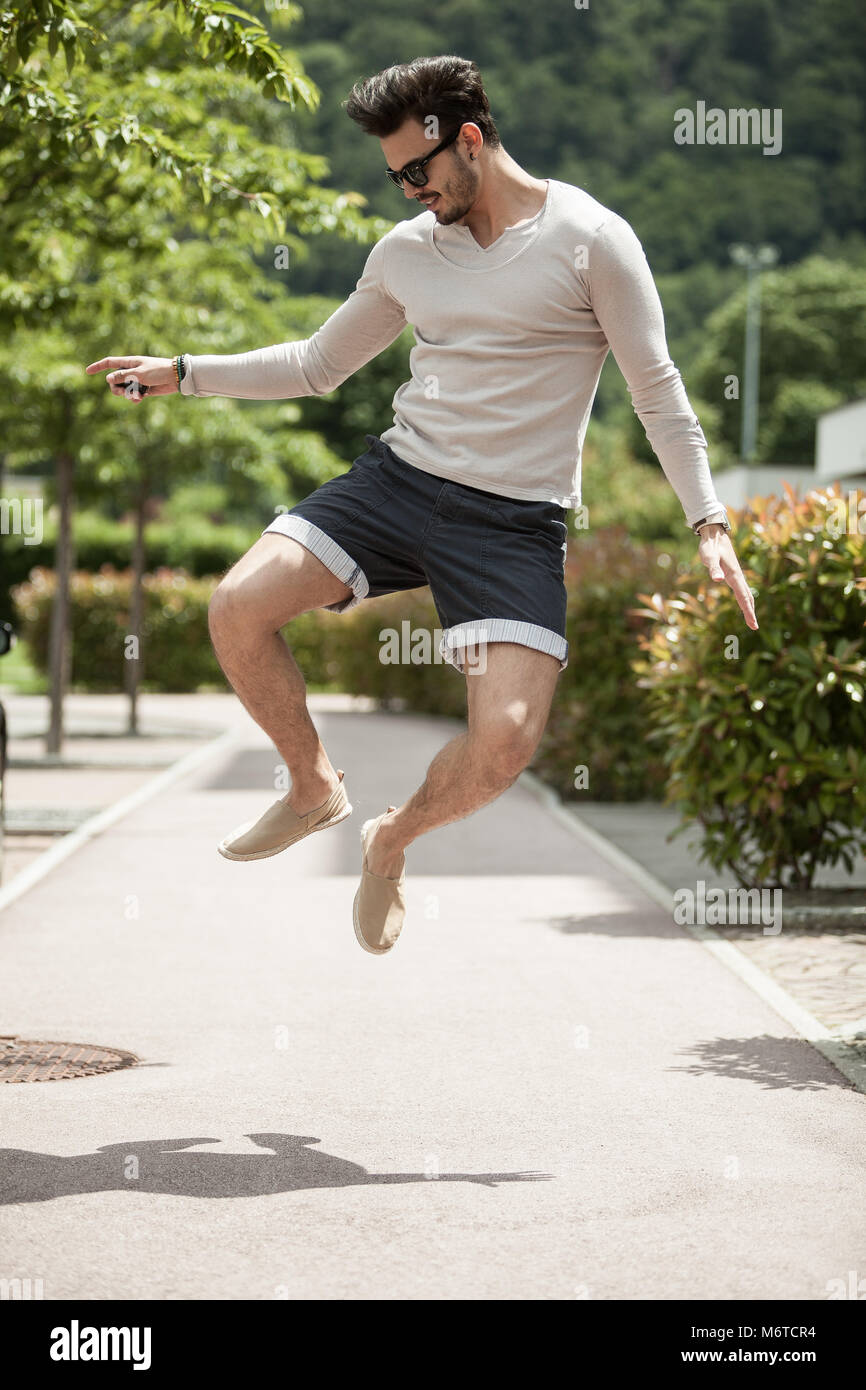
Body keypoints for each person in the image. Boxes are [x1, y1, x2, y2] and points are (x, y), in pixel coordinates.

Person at [87, 55, 759, 957]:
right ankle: (309, 784)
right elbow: (317, 365)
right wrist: (181, 374)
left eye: (418, 170)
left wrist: (708, 523)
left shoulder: (592, 240)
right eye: (395, 176)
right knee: (237, 607)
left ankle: (391, 840)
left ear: (470, 140)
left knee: (506, 745)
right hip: (400, 484)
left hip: (513, 521)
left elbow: (658, 392)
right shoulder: (407, 251)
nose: (409, 191)